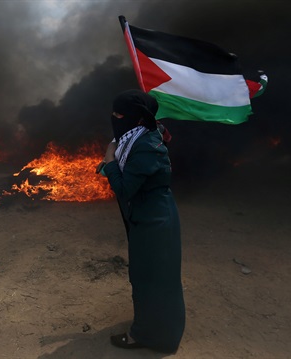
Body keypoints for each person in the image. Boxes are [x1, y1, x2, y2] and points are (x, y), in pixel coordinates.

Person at [99, 89, 185, 353]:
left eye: (120, 114)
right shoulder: (141, 135)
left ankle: (148, 336)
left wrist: (109, 160)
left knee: (151, 277)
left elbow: (125, 189)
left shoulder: (146, 146)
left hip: (154, 221)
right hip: (149, 216)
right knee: (154, 276)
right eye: (114, 113)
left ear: (137, 119)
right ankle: (157, 327)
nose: (115, 118)